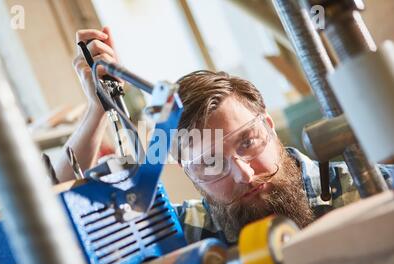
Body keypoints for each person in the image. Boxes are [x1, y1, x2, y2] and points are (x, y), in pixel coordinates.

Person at [56, 28, 394, 245]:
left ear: (270, 127)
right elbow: (55, 224)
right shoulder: (187, 232)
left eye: (248, 142)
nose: (244, 174)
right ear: (187, 172)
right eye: (211, 163)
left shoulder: (371, 190)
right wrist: (97, 109)